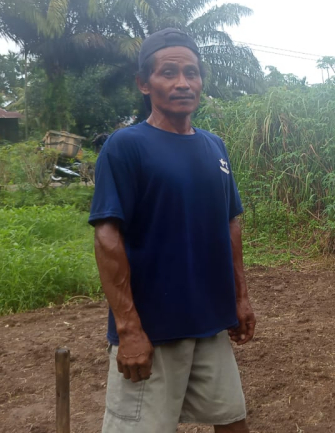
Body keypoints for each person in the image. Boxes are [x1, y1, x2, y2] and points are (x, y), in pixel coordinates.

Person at [89, 28, 255, 433]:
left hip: (210, 325)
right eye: (169, 72)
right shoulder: (126, 146)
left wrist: (241, 296)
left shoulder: (215, 147)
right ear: (144, 83)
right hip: (153, 331)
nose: (183, 83)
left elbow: (229, 223)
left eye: (191, 72)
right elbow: (107, 237)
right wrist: (128, 330)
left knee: (233, 423)